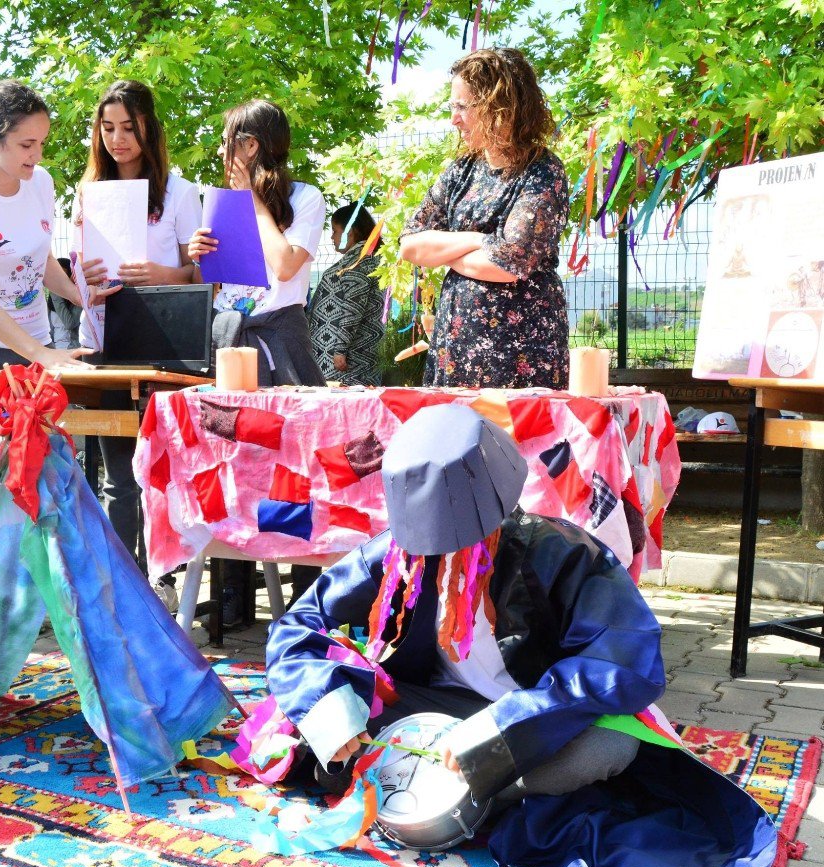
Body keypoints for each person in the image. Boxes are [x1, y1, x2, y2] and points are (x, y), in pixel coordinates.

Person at [264, 404, 776, 867]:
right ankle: (445, 783)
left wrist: (507, 724)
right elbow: (298, 626)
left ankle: (458, 796)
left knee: (607, 749)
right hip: (444, 709)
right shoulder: (396, 557)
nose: (442, 558)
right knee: (327, 708)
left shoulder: (566, 553)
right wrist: (331, 711)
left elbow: (624, 662)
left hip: (545, 716)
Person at [0, 81, 115, 554]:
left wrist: (80, 295)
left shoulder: (42, 183)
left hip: (32, 349)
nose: (36, 155)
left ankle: (22, 595)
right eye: (26, 144)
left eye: (42, 143)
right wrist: (42, 354)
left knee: (29, 470)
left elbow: (38, 261)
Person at [188, 99, 326, 627]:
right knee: (227, 467)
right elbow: (217, 284)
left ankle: (306, 603)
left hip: (281, 340)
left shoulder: (304, 199)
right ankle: (232, 601)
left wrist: (254, 205)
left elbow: (286, 263)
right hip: (228, 341)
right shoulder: (218, 199)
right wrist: (198, 257)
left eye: (231, 142)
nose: (225, 153)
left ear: (252, 145)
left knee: (292, 469)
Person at [73, 80, 202, 611]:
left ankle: (163, 579)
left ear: (149, 127)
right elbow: (72, 272)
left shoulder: (180, 192)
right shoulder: (86, 192)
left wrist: (161, 273)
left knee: (157, 471)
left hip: (161, 351)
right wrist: (87, 278)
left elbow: (200, 274)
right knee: (115, 473)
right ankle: (118, 583)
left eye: (129, 127)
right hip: (101, 343)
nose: (118, 139)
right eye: (108, 128)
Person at [400, 48, 570, 391]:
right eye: (453, 107)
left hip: (521, 352)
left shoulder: (542, 171)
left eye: (463, 107)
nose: (454, 119)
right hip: (457, 348)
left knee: (522, 443)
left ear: (500, 107)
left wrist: (446, 249)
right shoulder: (460, 172)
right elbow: (411, 245)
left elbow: (508, 264)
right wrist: (480, 240)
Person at [308, 203, 385, 385]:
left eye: (335, 231)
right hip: (352, 356)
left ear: (349, 232)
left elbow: (353, 305)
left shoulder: (358, 262)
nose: (332, 237)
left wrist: (340, 350)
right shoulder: (366, 258)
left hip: (344, 362)